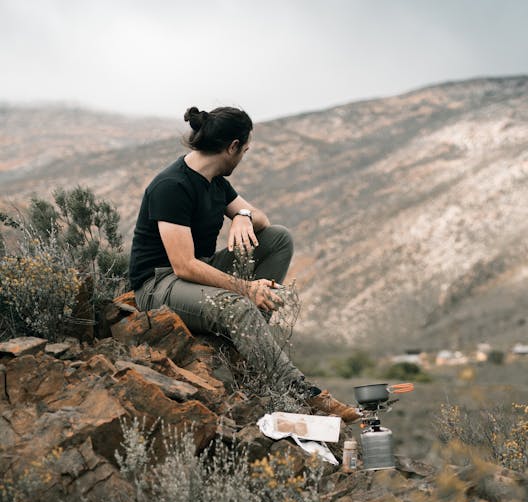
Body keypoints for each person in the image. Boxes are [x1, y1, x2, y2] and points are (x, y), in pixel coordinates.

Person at [128, 104, 359, 422]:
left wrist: (242, 216)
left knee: (278, 238)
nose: (243, 157)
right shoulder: (172, 186)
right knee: (239, 305)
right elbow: (183, 265)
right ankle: (302, 392)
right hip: (159, 284)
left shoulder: (217, 182)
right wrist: (246, 289)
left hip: (197, 274)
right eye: (245, 150)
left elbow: (264, 220)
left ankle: (249, 343)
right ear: (232, 147)